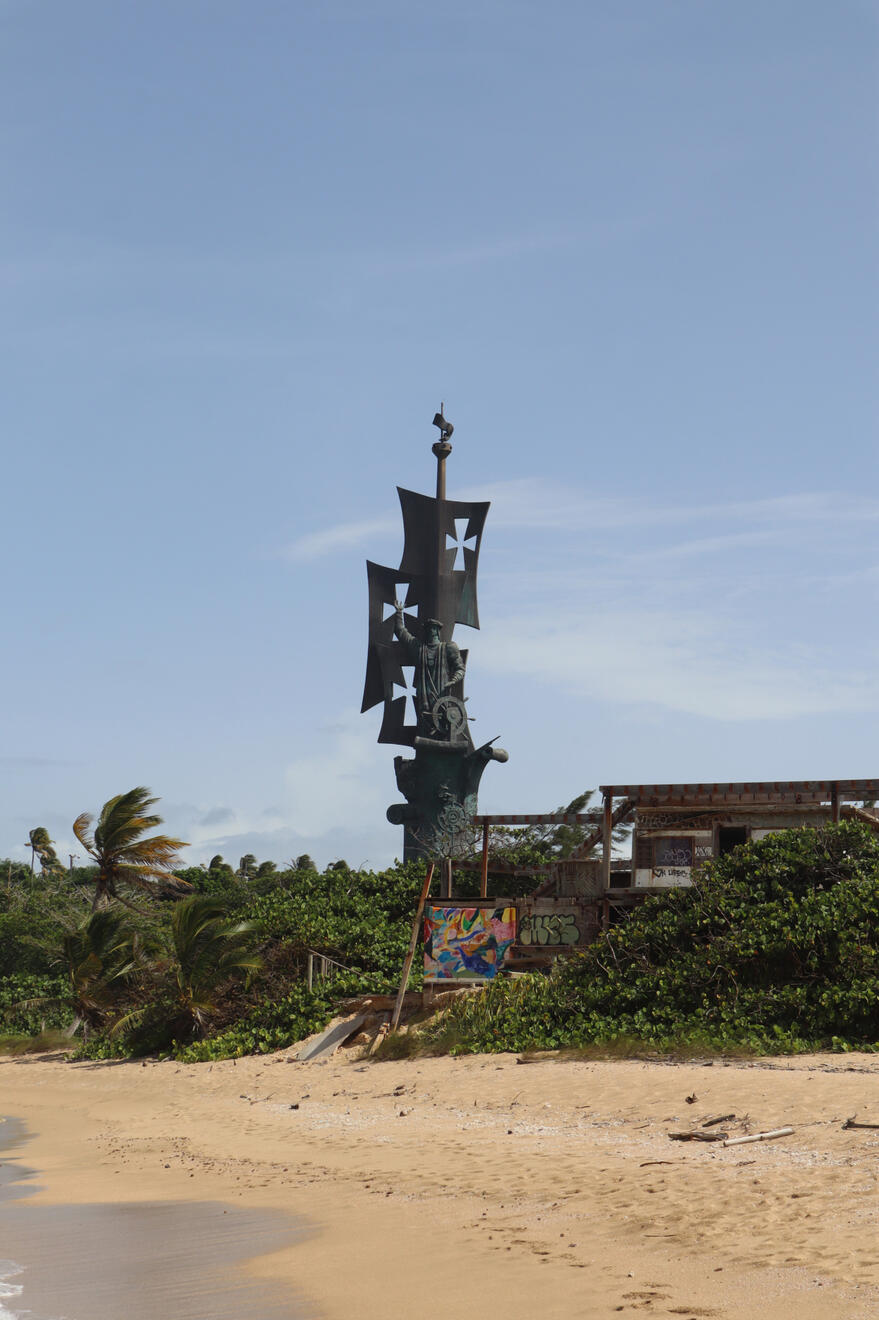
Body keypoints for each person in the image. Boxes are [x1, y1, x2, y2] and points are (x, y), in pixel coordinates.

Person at [394, 601, 465, 736]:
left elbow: (460, 668)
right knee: (425, 722)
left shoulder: (448, 648)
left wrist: (453, 680)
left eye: (432, 628)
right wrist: (399, 612)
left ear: (438, 631)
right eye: (427, 629)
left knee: (442, 720)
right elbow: (400, 631)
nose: (430, 631)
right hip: (424, 695)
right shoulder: (419, 648)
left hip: (442, 693)